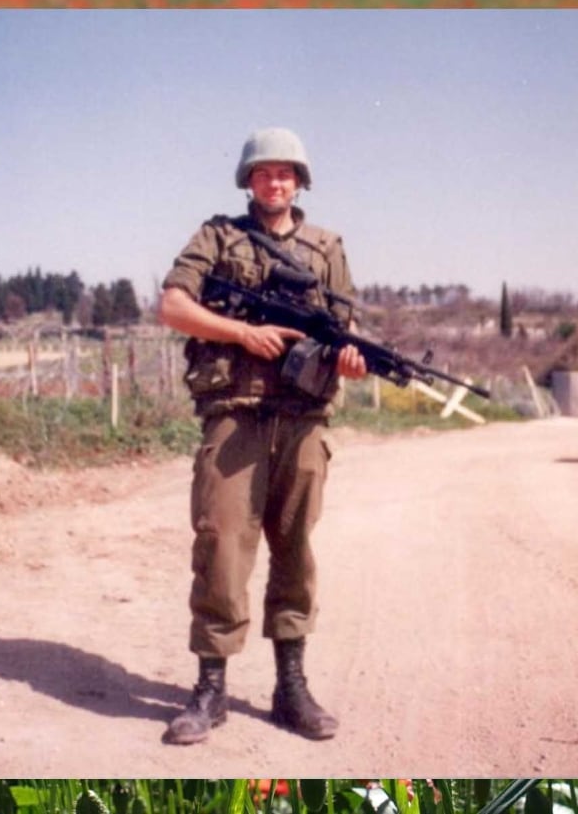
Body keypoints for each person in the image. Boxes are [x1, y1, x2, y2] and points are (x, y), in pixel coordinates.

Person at [157, 127, 367, 745]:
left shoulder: (327, 247)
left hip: (303, 421)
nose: (276, 183)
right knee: (222, 545)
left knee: (295, 551)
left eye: (287, 174)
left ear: (300, 182)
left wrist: (349, 358)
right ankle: (211, 688)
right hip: (236, 415)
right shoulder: (218, 238)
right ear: (249, 180)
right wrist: (240, 333)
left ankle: (291, 688)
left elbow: (343, 329)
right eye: (264, 173)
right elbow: (172, 306)